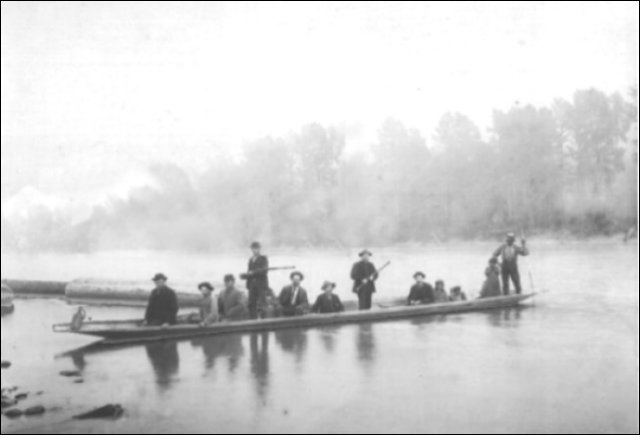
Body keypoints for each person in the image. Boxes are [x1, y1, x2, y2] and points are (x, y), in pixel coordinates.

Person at [241, 242, 270, 320]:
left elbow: (264, 271)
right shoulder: (251, 259)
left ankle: (265, 321)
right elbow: (249, 272)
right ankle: (253, 320)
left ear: (259, 249)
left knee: (262, 304)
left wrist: (253, 272)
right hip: (251, 285)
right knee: (251, 304)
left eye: (256, 248)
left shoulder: (263, 258)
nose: (254, 250)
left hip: (261, 285)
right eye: (253, 249)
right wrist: (245, 276)